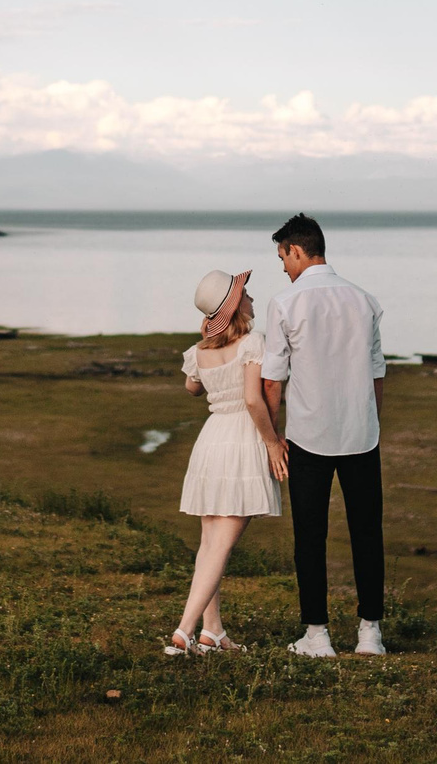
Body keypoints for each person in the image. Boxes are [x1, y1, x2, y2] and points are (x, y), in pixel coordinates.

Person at [259, 212, 387, 658]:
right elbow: (376, 375)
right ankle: (370, 634)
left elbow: (272, 381)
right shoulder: (364, 299)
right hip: (362, 436)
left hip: (309, 438)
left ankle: (317, 636)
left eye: (282, 257)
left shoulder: (285, 303)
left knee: (309, 537)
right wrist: (372, 422)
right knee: (368, 534)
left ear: (297, 249)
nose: (282, 267)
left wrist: (273, 438)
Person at [166, 267, 289, 655]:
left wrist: (210, 343)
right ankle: (185, 630)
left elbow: (190, 388)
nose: (251, 298)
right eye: (245, 294)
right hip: (241, 438)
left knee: (209, 544)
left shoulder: (200, 351)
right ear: (237, 307)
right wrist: (272, 443)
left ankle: (212, 632)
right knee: (220, 548)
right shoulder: (253, 343)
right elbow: (254, 400)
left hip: (211, 439)